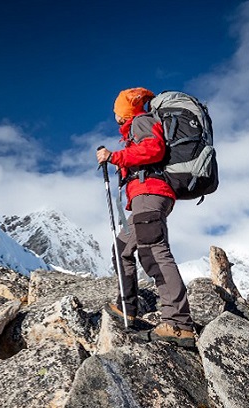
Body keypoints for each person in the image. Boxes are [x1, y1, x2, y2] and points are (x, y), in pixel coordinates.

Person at [96, 87, 195, 347]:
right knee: (122, 248)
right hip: (145, 197)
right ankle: (126, 307)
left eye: (116, 109)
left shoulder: (141, 121)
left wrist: (114, 157)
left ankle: (178, 323)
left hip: (150, 193)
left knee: (154, 252)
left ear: (125, 111)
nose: (114, 115)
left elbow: (154, 150)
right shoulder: (135, 128)